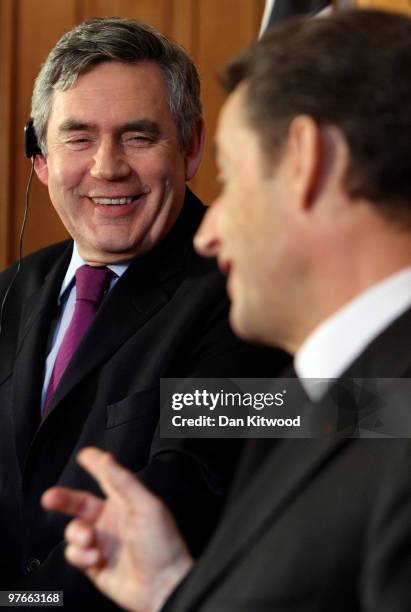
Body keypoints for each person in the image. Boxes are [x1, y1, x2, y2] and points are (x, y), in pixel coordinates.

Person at [43, 8, 411, 611]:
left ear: (306, 161)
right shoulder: (345, 396)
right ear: (43, 159)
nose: (210, 229)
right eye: (78, 137)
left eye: (230, 179)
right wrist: (172, 592)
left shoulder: (237, 312)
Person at [0, 16, 287, 610]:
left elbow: (183, 492)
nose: (107, 167)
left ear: (189, 148)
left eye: (138, 136)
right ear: (40, 158)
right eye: (77, 137)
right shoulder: (11, 291)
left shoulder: (245, 298)